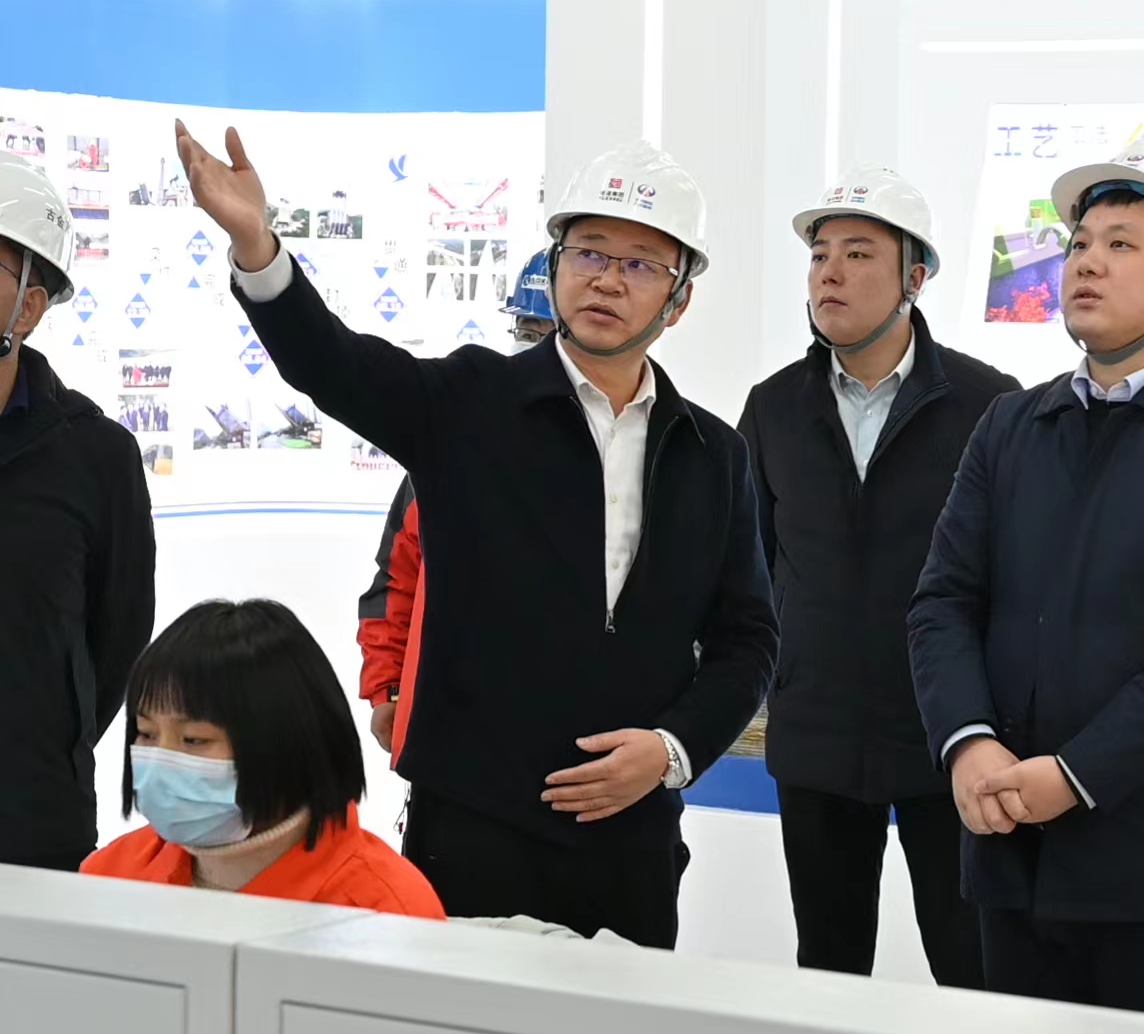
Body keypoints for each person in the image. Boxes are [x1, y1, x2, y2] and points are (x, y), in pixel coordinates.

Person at [177, 121, 776, 947]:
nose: (607, 280)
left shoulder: (714, 455)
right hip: (474, 830)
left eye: (641, 264)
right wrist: (258, 246)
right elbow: (332, 362)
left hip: (631, 838)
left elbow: (749, 640)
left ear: (679, 300)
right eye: (590, 253)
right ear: (556, 265)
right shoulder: (468, 403)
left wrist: (673, 749)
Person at [909, 138, 1144, 1020]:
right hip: (1009, 856)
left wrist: (1075, 775)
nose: (1086, 262)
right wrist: (968, 742)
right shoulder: (1012, 426)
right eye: (1081, 243)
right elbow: (944, 602)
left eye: (1122, 244)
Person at [740, 166, 1017, 986]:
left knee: (970, 968)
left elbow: (1014, 574)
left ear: (915, 278)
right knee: (826, 970)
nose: (830, 272)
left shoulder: (989, 405)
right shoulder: (773, 407)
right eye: (819, 254)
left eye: (858, 253)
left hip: (949, 739)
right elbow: (750, 566)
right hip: (817, 736)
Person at [82, 601, 444, 918]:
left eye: (194, 739)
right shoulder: (110, 877)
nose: (162, 759)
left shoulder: (387, 910)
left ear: (284, 743)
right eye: (146, 733)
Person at [0, 150, 155, 873]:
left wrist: (45, 740)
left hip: (34, 826)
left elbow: (116, 640)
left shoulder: (98, 456)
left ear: (29, 308)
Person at [357, 251, 559, 764]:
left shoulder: (629, 453)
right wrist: (387, 688)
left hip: (571, 744)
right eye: (527, 330)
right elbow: (396, 580)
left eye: (549, 333)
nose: (534, 347)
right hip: (450, 738)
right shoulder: (450, 445)